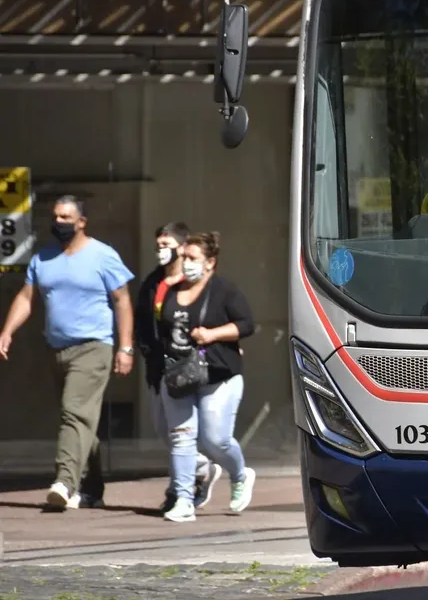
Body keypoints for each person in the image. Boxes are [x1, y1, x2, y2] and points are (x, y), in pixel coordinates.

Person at [0, 195, 135, 510]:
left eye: (65, 218)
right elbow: (25, 297)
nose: (58, 223)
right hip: (57, 350)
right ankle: (92, 488)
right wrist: (7, 332)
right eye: (55, 217)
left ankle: (64, 482)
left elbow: (122, 301)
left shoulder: (103, 256)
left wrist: (125, 347)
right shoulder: (43, 258)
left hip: (93, 347)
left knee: (73, 412)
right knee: (82, 419)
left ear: (82, 222)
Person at [158, 231, 256, 522]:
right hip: (178, 375)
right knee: (182, 438)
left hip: (218, 374)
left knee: (215, 440)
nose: (186, 262)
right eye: (184, 256)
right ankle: (184, 499)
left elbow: (247, 324)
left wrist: (212, 334)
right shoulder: (170, 289)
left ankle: (239, 475)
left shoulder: (223, 290)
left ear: (210, 262)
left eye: (192, 258)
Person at [135, 222, 222, 514]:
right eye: (158, 245)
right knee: (163, 428)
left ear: (182, 247)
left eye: (167, 244)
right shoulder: (153, 283)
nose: (162, 250)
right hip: (158, 367)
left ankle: (180, 492)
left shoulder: (192, 284)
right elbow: (143, 320)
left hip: (188, 368)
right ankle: (199, 468)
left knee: (181, 433)